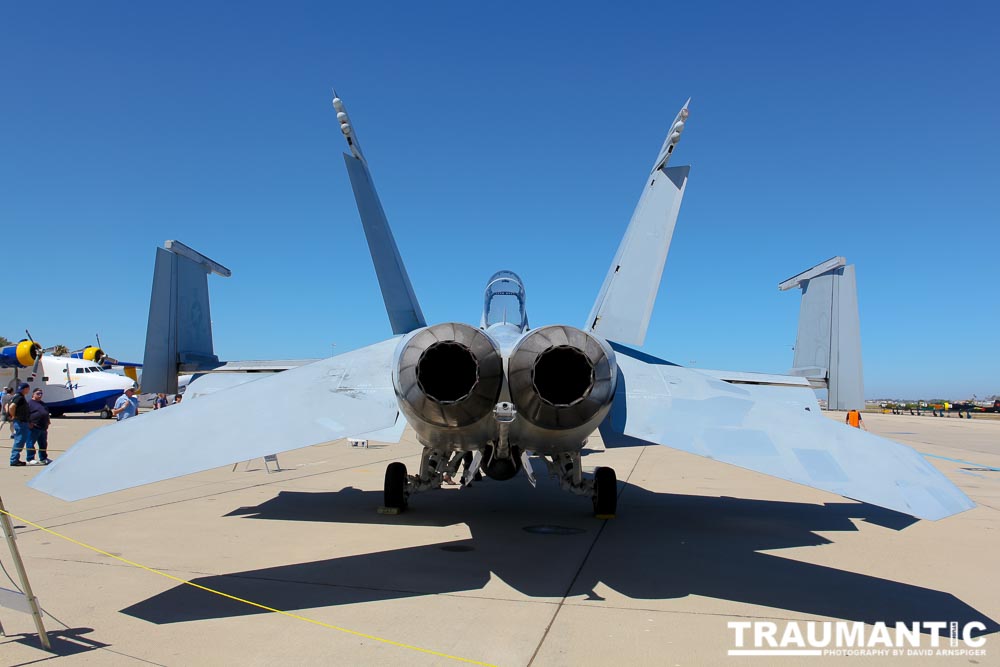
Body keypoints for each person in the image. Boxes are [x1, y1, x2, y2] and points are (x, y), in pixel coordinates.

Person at [8, 383, 32, 466]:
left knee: (20, 440)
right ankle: (14, 460)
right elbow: (11, 407)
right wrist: (13, 415)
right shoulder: (19, 397)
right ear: (25, 389)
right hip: (20, 422)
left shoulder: (17, 396)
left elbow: (8, 405)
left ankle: (15, 459)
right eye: (28, 388)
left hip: (21, 421)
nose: (29, 390)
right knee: (19, 441)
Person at [26, 387, 51, 465]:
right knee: (30, 443)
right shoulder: (30, 403)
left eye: (41, 394)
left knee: (43, 444)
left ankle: (43, 458)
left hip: (43, 427)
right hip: (34, 427)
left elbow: (46, 413)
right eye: (38, 394)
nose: (40, 395)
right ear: (33, 394)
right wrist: (29, 423)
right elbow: (26, 414)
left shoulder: (42, 403)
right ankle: (30, 458)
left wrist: (48, 421)